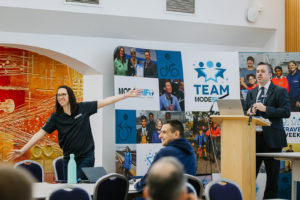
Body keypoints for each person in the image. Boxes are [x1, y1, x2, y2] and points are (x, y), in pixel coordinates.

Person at [8, 85, 140, 180]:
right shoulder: (56, 117)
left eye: (63, 94)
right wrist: (23, 150)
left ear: (70, 96)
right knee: (69, 188)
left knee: (77, 183)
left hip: (86, 157)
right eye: (58, 95)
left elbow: (104, 102)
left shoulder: (83, 108)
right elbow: (40, 134)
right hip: (68, 158)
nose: (60, 97)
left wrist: (125, 95)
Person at [244, 62, 290, 199]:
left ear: (270, 75)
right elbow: (245, 110)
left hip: (273, 140)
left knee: (272, 179)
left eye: (263, 71)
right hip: (253, 139)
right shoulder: (251, 93)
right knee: (249, 176)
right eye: (257, 71)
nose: (259, 73)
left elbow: (286, 111)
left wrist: (266, 109)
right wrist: (247, 111)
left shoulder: (279, 91)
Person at [135, 120, 197, 192]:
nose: (159, 136)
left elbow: (146, 183)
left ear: (176, 134)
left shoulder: (165, 153)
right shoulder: (191, 152)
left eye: (164, 132)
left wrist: (137, 184)